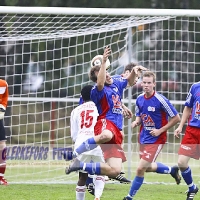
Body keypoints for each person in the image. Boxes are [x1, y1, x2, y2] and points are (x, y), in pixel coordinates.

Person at [65, 46, 148, 180]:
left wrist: (133, 71)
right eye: (103, 74)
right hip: (104, 122)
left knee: (115, 170)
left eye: (107, 72)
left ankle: (82, 166)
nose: (107, 75)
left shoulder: (116, 83)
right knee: (106, 135)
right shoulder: (96, 90)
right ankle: (76, 153)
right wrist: (103, 62)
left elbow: (130, 81)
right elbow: (100, 84)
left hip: (117, 127)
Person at [123, 71, 181, 200]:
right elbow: (139, 116)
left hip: (157, 139)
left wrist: (160, 130)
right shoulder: (139, 98)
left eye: (149, 83)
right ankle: (172, 170)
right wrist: (136, 122)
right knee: (147, 167)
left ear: (154, 84)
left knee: (139, 169)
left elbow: (176, 118)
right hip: (143, 137)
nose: (146, 85)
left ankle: (129, 197)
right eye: (144, 82)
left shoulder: (161, 100)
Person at [70, 85, 105, 200]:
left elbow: (74, 134)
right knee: (101, 172)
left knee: (82, 177)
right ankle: (98, 196)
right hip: (97, 143)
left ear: (82, 96)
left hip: (81, 144)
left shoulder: (76, 110)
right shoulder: (100, 108)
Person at [174, 81, 200, 200]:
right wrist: (180, 126)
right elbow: (188, 108)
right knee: (182, 162)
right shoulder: (195, 86)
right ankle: (192, 188)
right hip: (192, 130)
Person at [0, 79, 9, 185]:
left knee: (2, 146)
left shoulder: (3, 84)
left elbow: (5, 97)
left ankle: (0, 176)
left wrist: (3, 107)